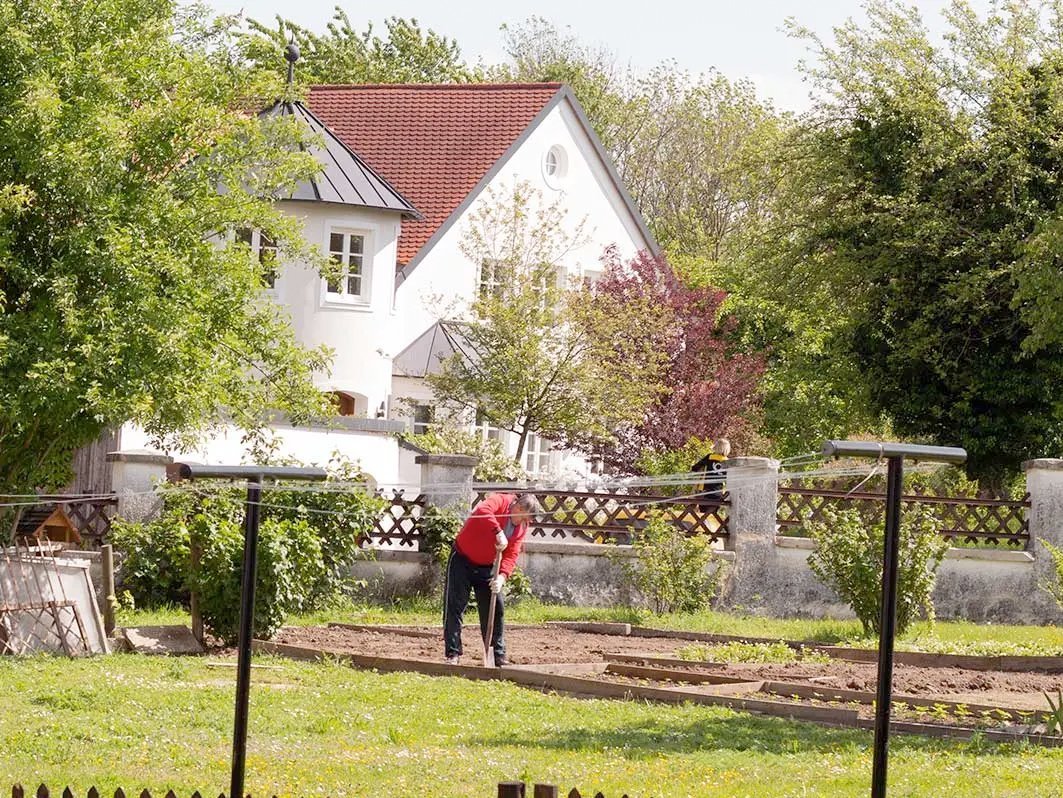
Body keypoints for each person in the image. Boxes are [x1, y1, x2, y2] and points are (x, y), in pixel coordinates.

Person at [443, 492, 538, 666]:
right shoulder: (500, 501)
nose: (524, 523)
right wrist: (497, 531)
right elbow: (482, 510)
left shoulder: (521, 527)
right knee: (455, 605)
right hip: (462, 558)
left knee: (496, 608)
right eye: (523, 518)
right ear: (517, 507)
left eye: (527, 520)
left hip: (486, 565)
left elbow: (512, 553)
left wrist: (502, 576)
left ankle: (497, 655)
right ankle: (453, 653)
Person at [692, 438, 731, 506]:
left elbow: (695, 468)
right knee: (713, 511)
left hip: (704, 492)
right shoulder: (728, 461)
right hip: (717, 493)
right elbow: (728, 479)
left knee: (703, 513)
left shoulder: (709, 457)